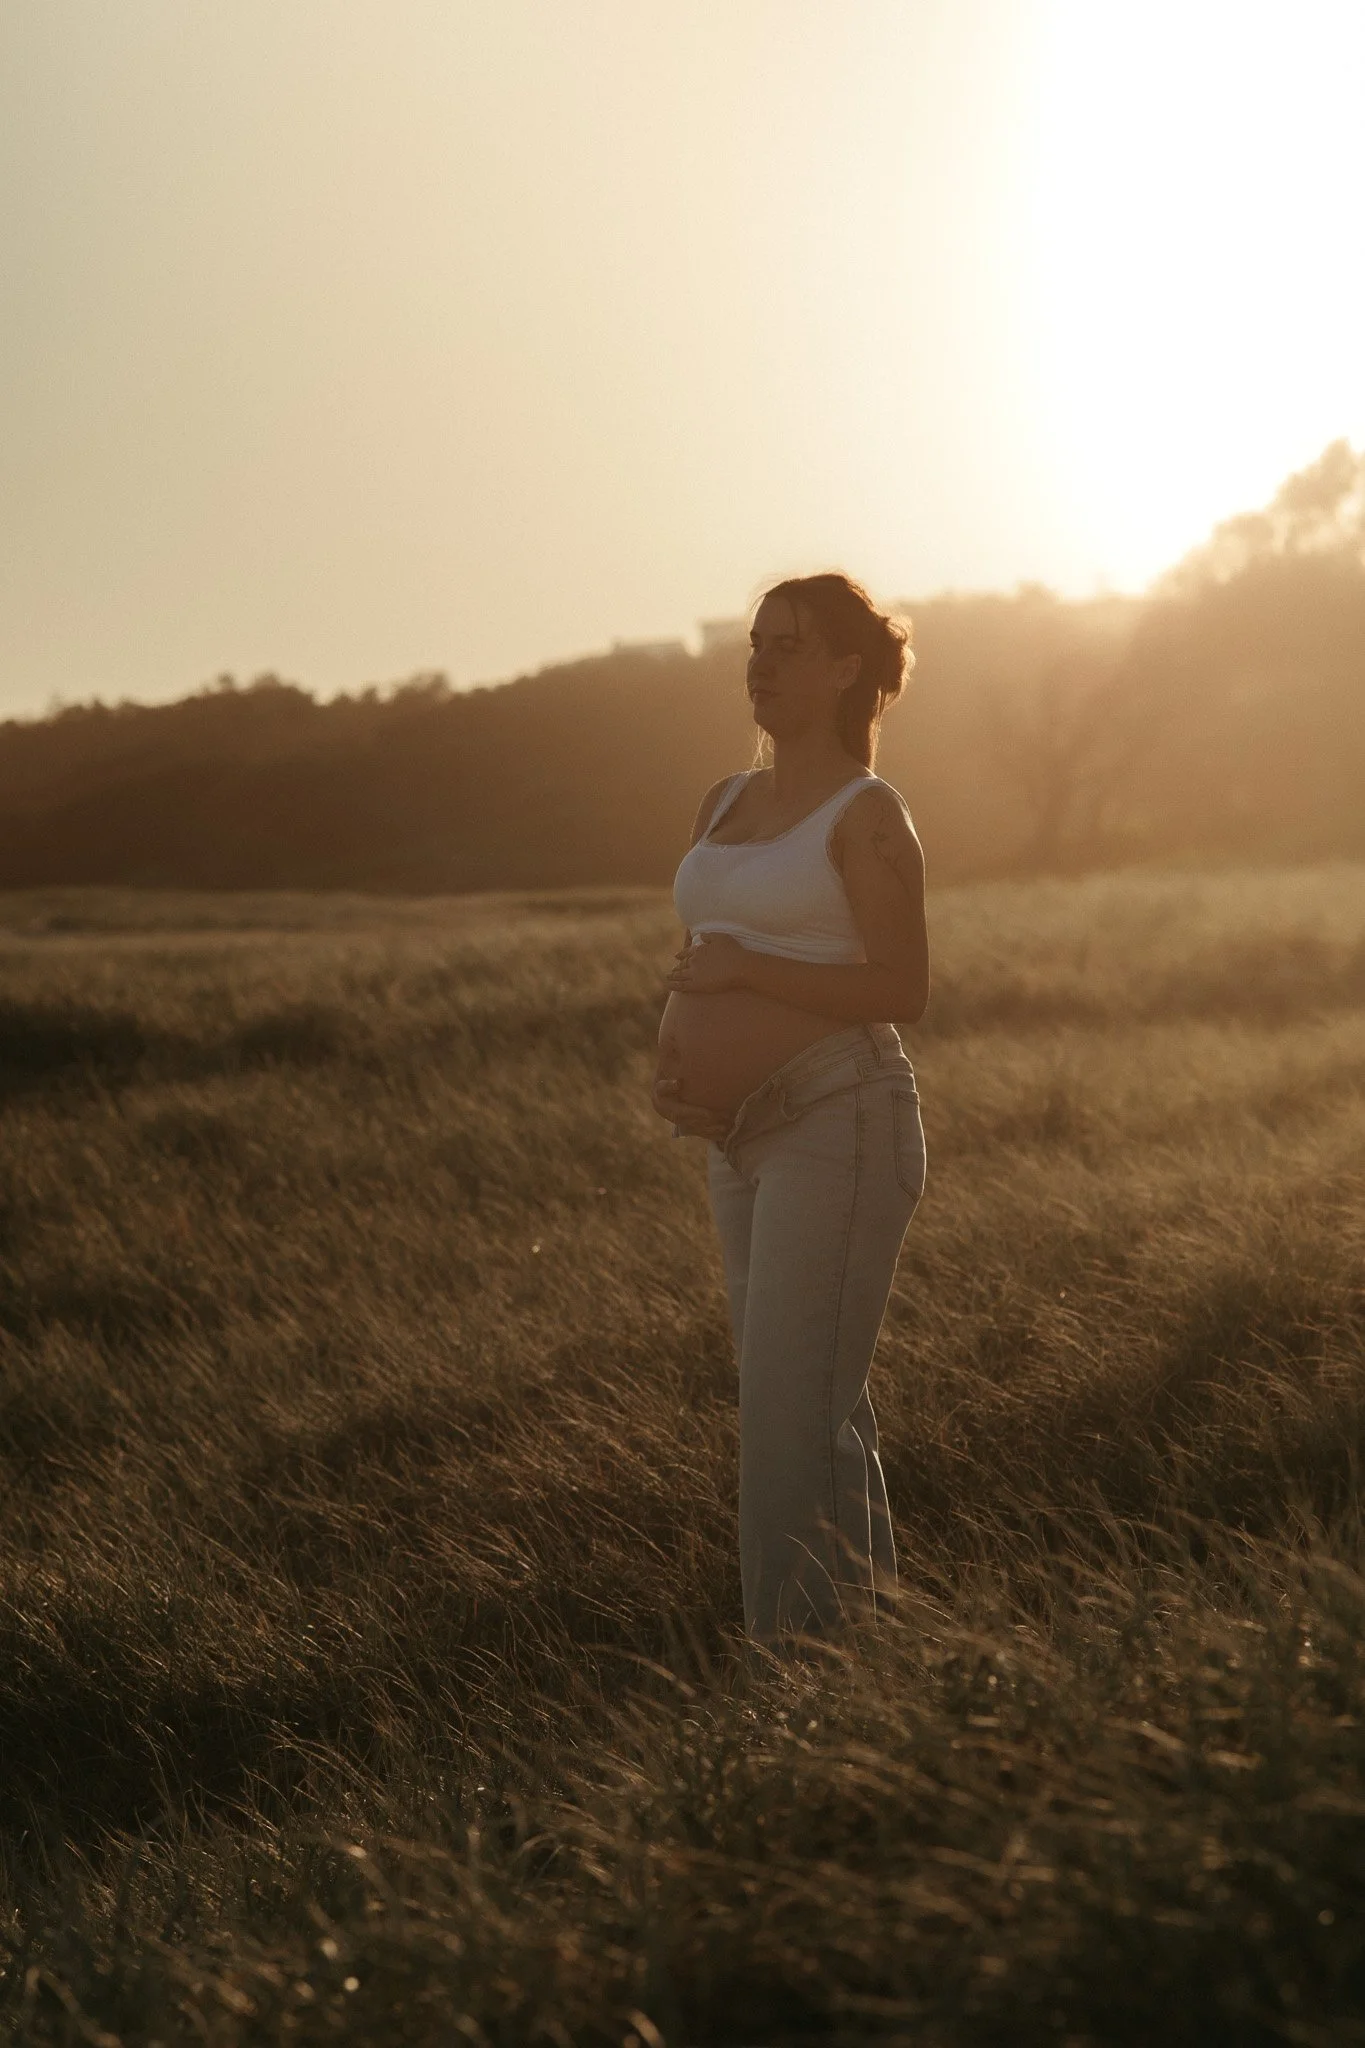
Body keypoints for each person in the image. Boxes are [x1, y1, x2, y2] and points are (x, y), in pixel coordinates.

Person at [653, 572, 929, 1647]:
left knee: (787, 1423)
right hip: (739, 1140)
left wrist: (744, 976)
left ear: (847, 669)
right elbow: (701, 953)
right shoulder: (724, 801)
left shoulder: (867, 814)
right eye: (755, 643)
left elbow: (902, 986)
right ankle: (867, 1673)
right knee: (812, 1413)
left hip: (838, 1117)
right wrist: (678, 1061)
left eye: (790, 646)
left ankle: (794, 1687)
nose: (760, 663)